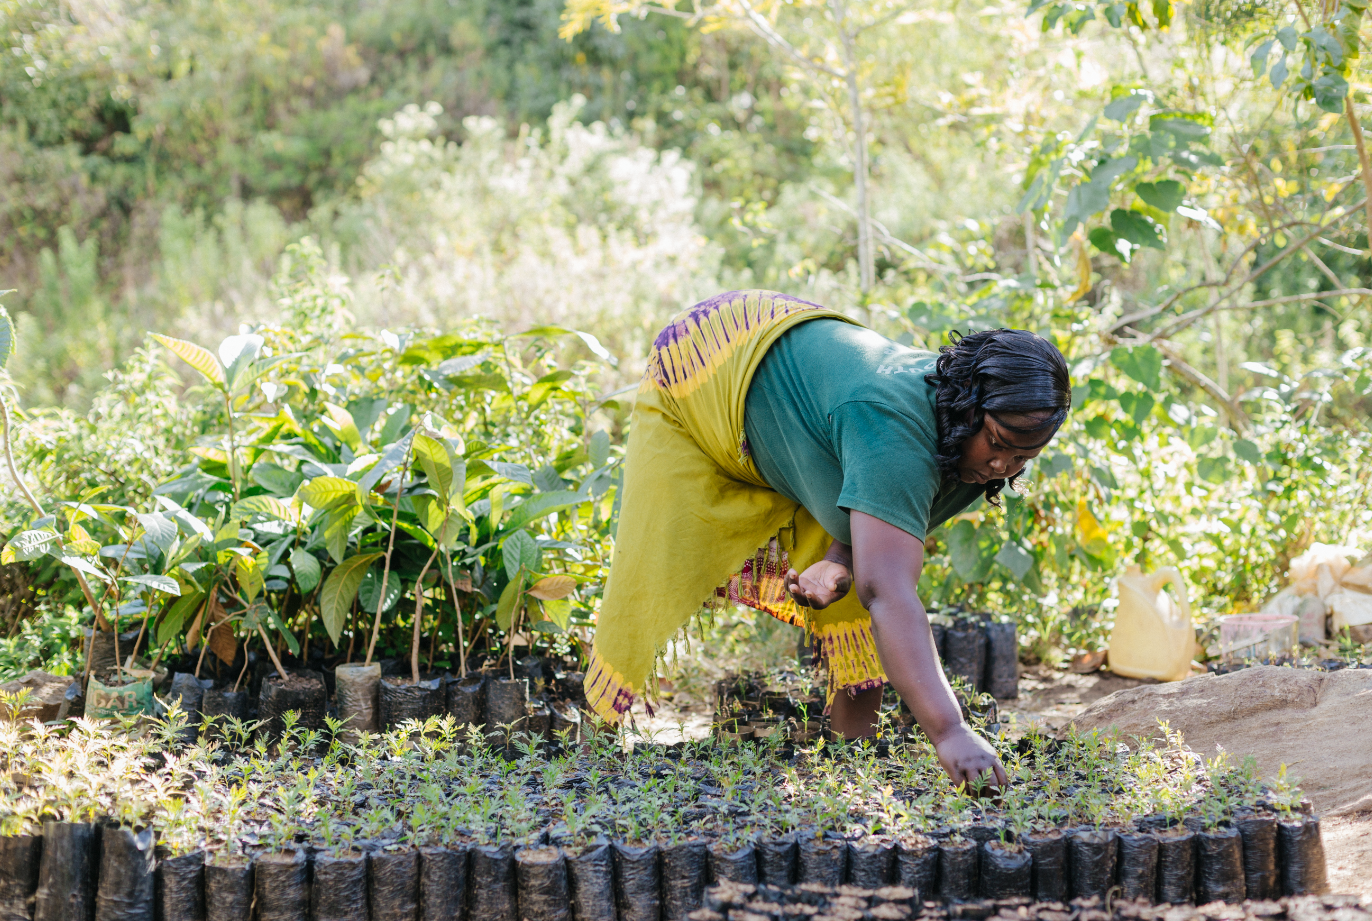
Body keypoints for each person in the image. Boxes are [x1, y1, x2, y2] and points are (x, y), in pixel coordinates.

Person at [584, 290, 1070, 787]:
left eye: (1022, 459)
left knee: (859, 597)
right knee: (653, 559)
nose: (1002, 467)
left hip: (813, 392)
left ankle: (849, 769)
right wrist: (949, 731)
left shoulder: (965, 443)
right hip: (708, 360)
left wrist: (839, 557)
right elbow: (889, 590)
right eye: (1000, 446)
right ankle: (588, 757)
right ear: (967, 404)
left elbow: (884, 508)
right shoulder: (896, 428)